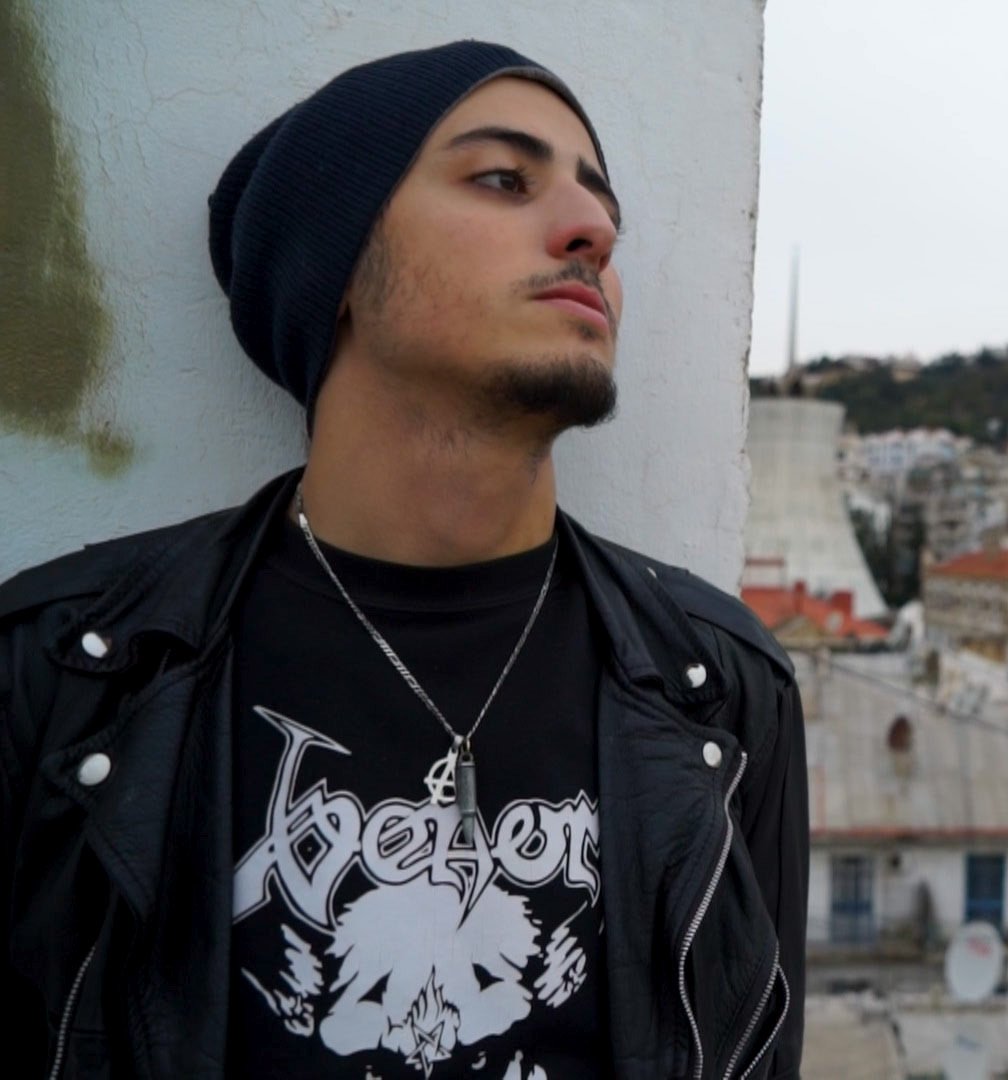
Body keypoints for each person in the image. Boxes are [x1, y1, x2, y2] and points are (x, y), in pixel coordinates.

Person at [0, 41, 805, 1079]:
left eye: (600, 204)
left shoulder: (722, 688)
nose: (593, 230)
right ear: (332, 267)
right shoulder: (65, 673)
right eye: (503, 179)